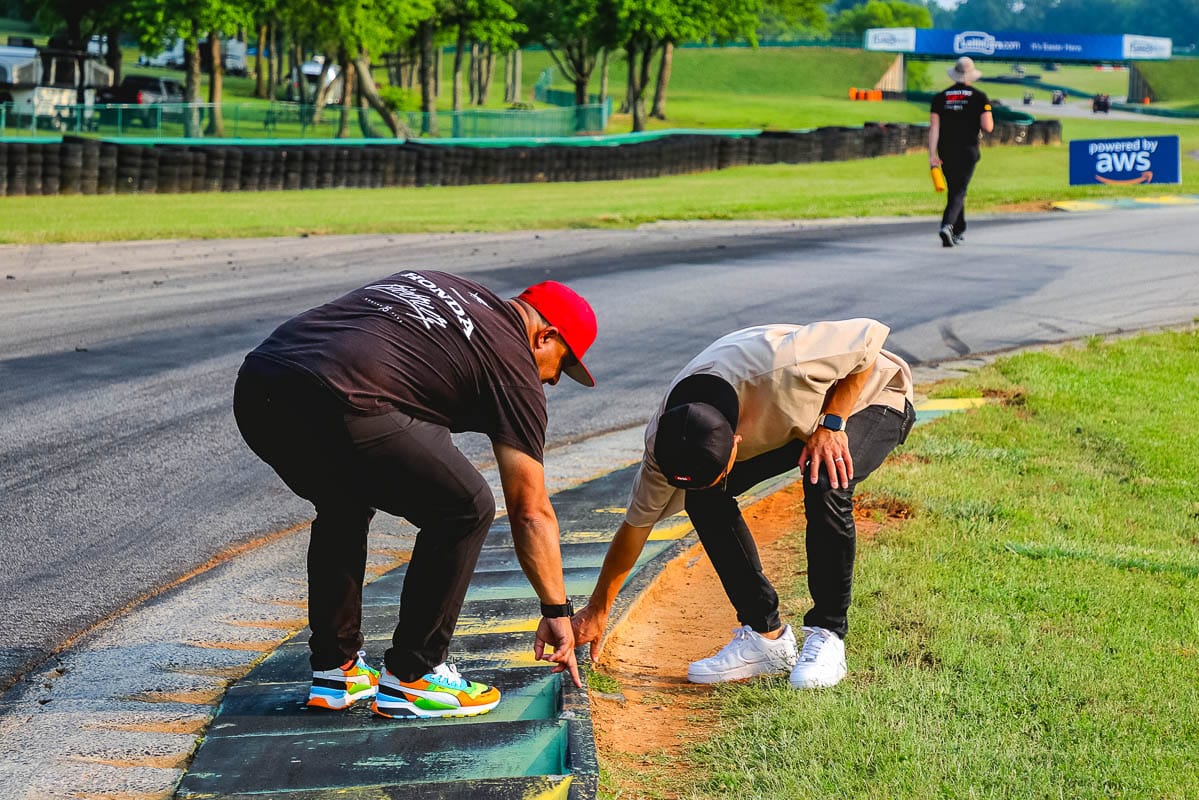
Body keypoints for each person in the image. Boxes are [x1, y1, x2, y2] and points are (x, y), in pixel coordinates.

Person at [233, 271, 597, 719]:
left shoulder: (450, 285)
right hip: (343, 396)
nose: (555, 381)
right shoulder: (514, 364)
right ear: (546, 336)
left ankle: (337, 668)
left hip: (260, 385)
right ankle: (415, 676)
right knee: (465, 507)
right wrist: (557, 609)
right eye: (563, 365)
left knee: (343, 499)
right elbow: (530, 512)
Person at [572, 320, 914, 689]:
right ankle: (766, 637)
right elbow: (635, 528)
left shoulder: (785, 363)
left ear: (737, 442)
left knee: (825, 478)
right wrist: (597, 609)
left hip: (874, 396)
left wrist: (832, 425)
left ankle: (828, 635)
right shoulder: (664, 442)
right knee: (703, 497)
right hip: (799, 421)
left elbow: (870, 336)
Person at [929, 56, 994, 248]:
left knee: (955, 188)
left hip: (946, 149)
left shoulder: (940, 97)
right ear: (971, 75)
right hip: (968, 149)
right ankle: (947, 226)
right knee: (959, 190)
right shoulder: (980, 97)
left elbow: (934, 128)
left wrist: (932, 155)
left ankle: (959, 228)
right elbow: (988, 126)